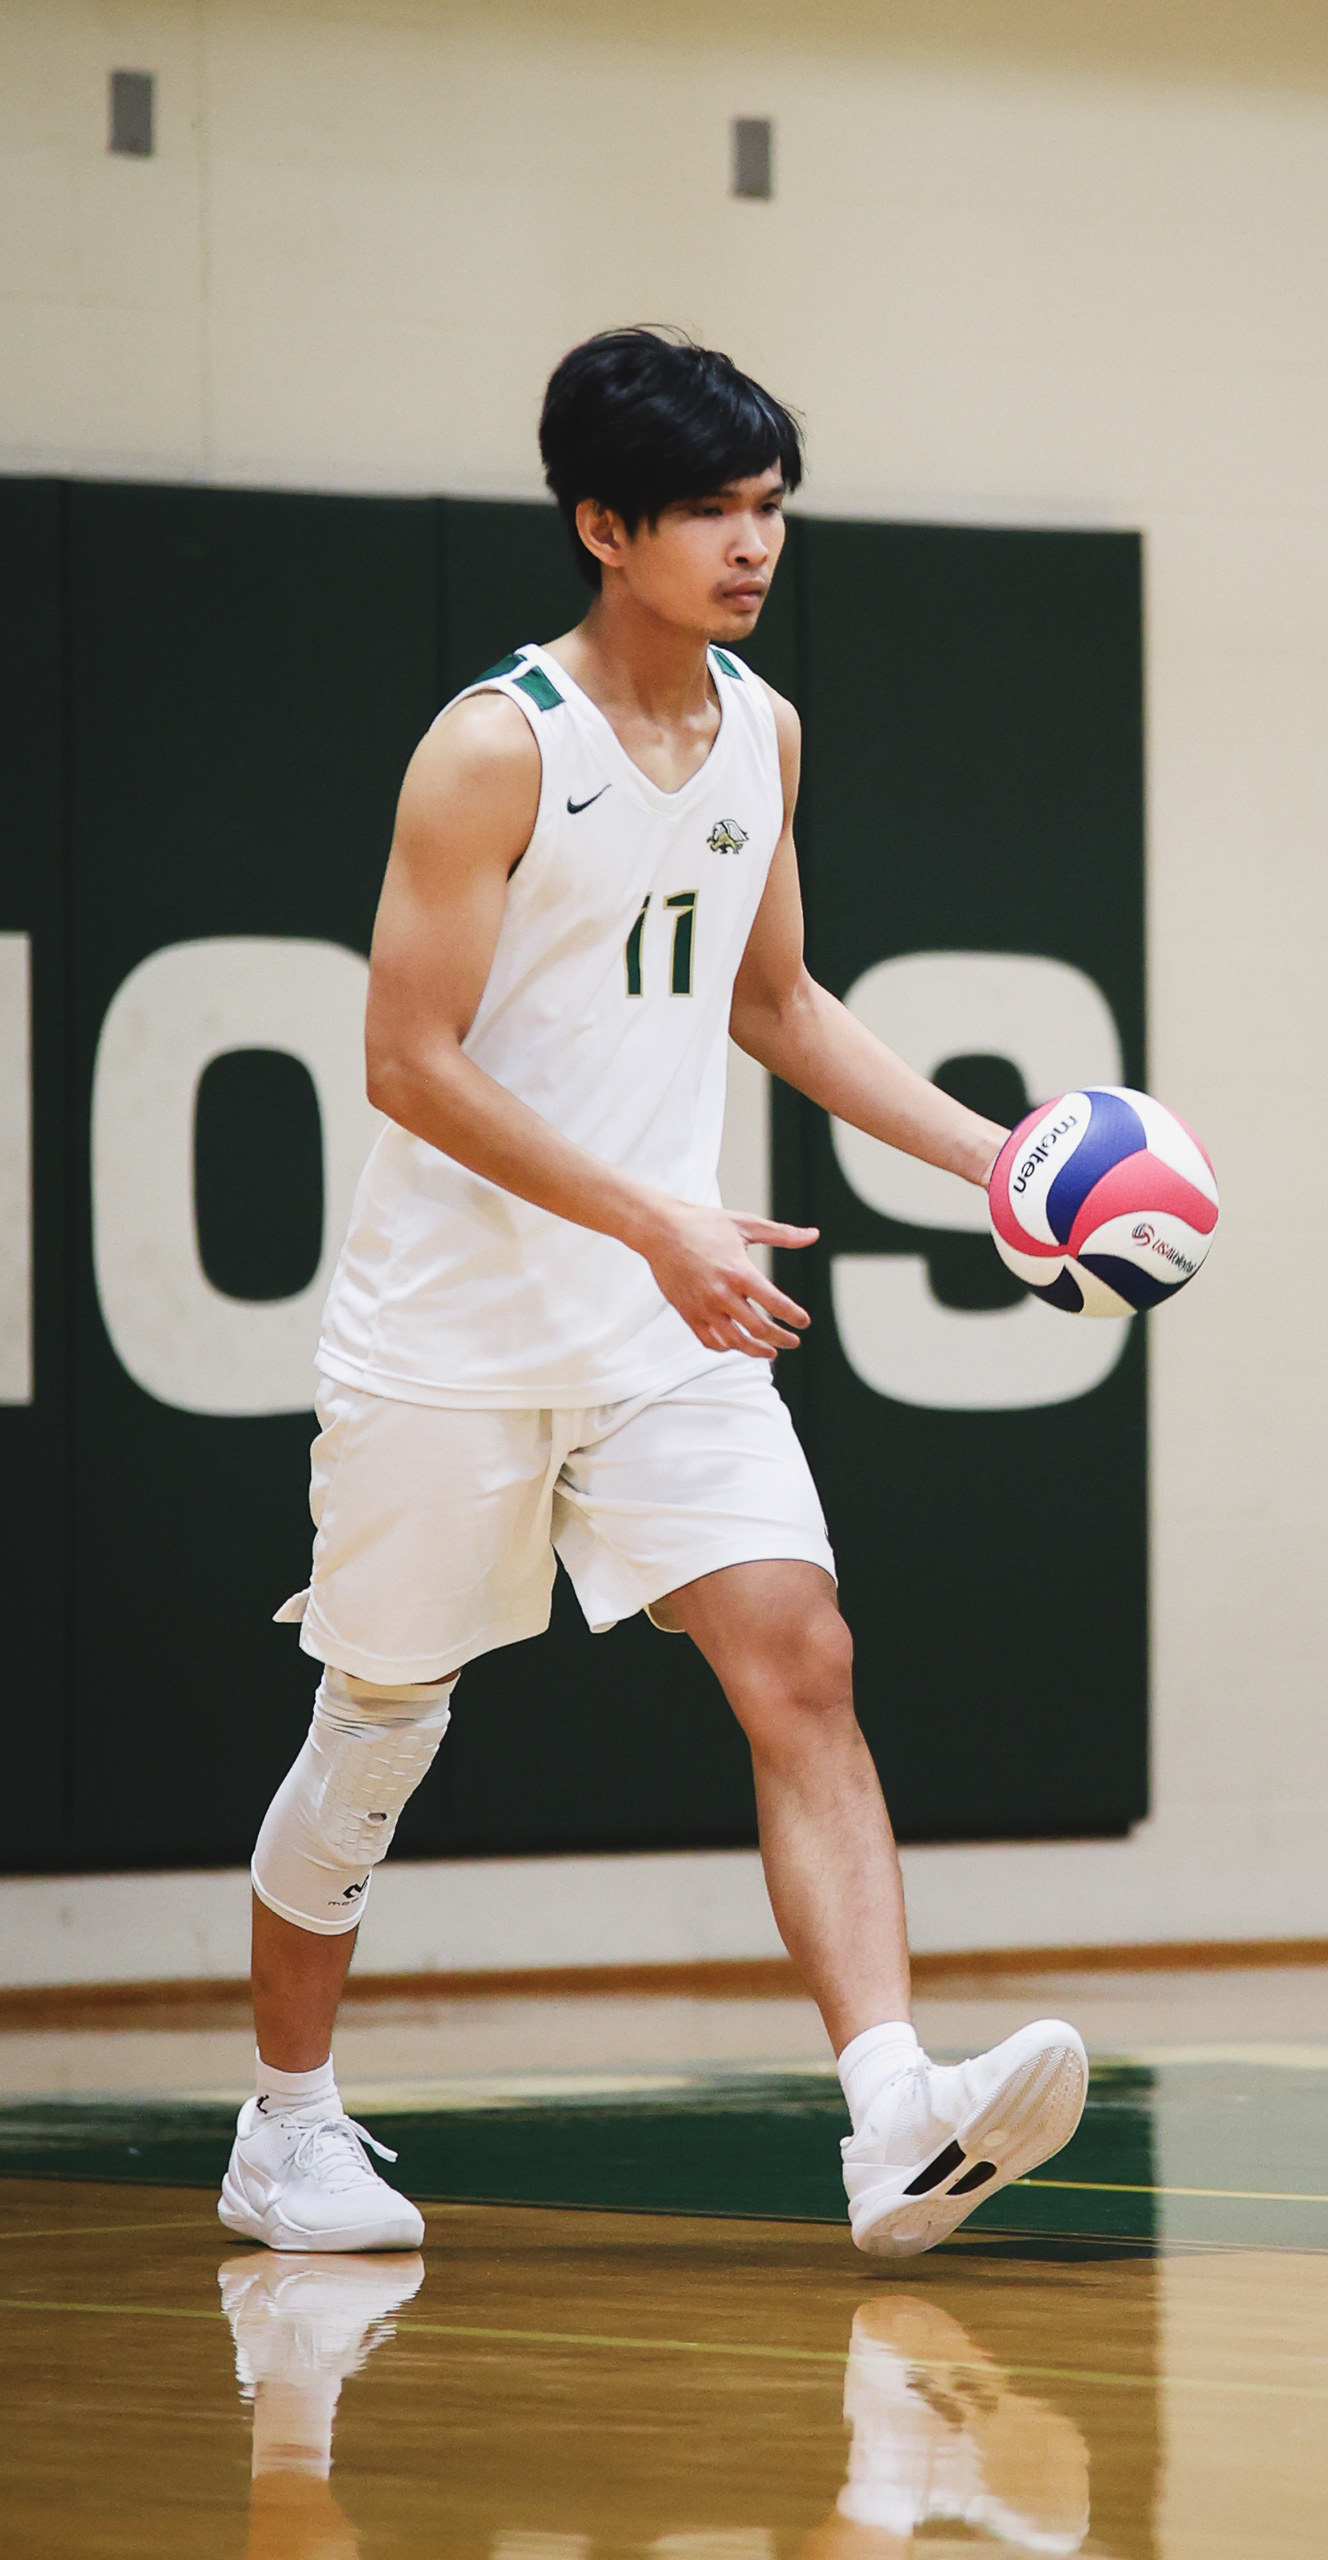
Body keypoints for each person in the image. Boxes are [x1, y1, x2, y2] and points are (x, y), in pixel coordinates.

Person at [217, 327, 1087, 2261]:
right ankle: (285, 2126)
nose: (754, 542)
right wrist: (654, 1223)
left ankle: (891, 2117)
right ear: (605, 527)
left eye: (770, 506)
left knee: (804, 1659)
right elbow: (407, 1060)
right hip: (452, 1332)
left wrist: (999, 1164)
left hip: (656, 1335)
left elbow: (777, 1001)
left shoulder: (765, 730)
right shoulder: (494, 745)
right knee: (377, 1730)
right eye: (710, 509)